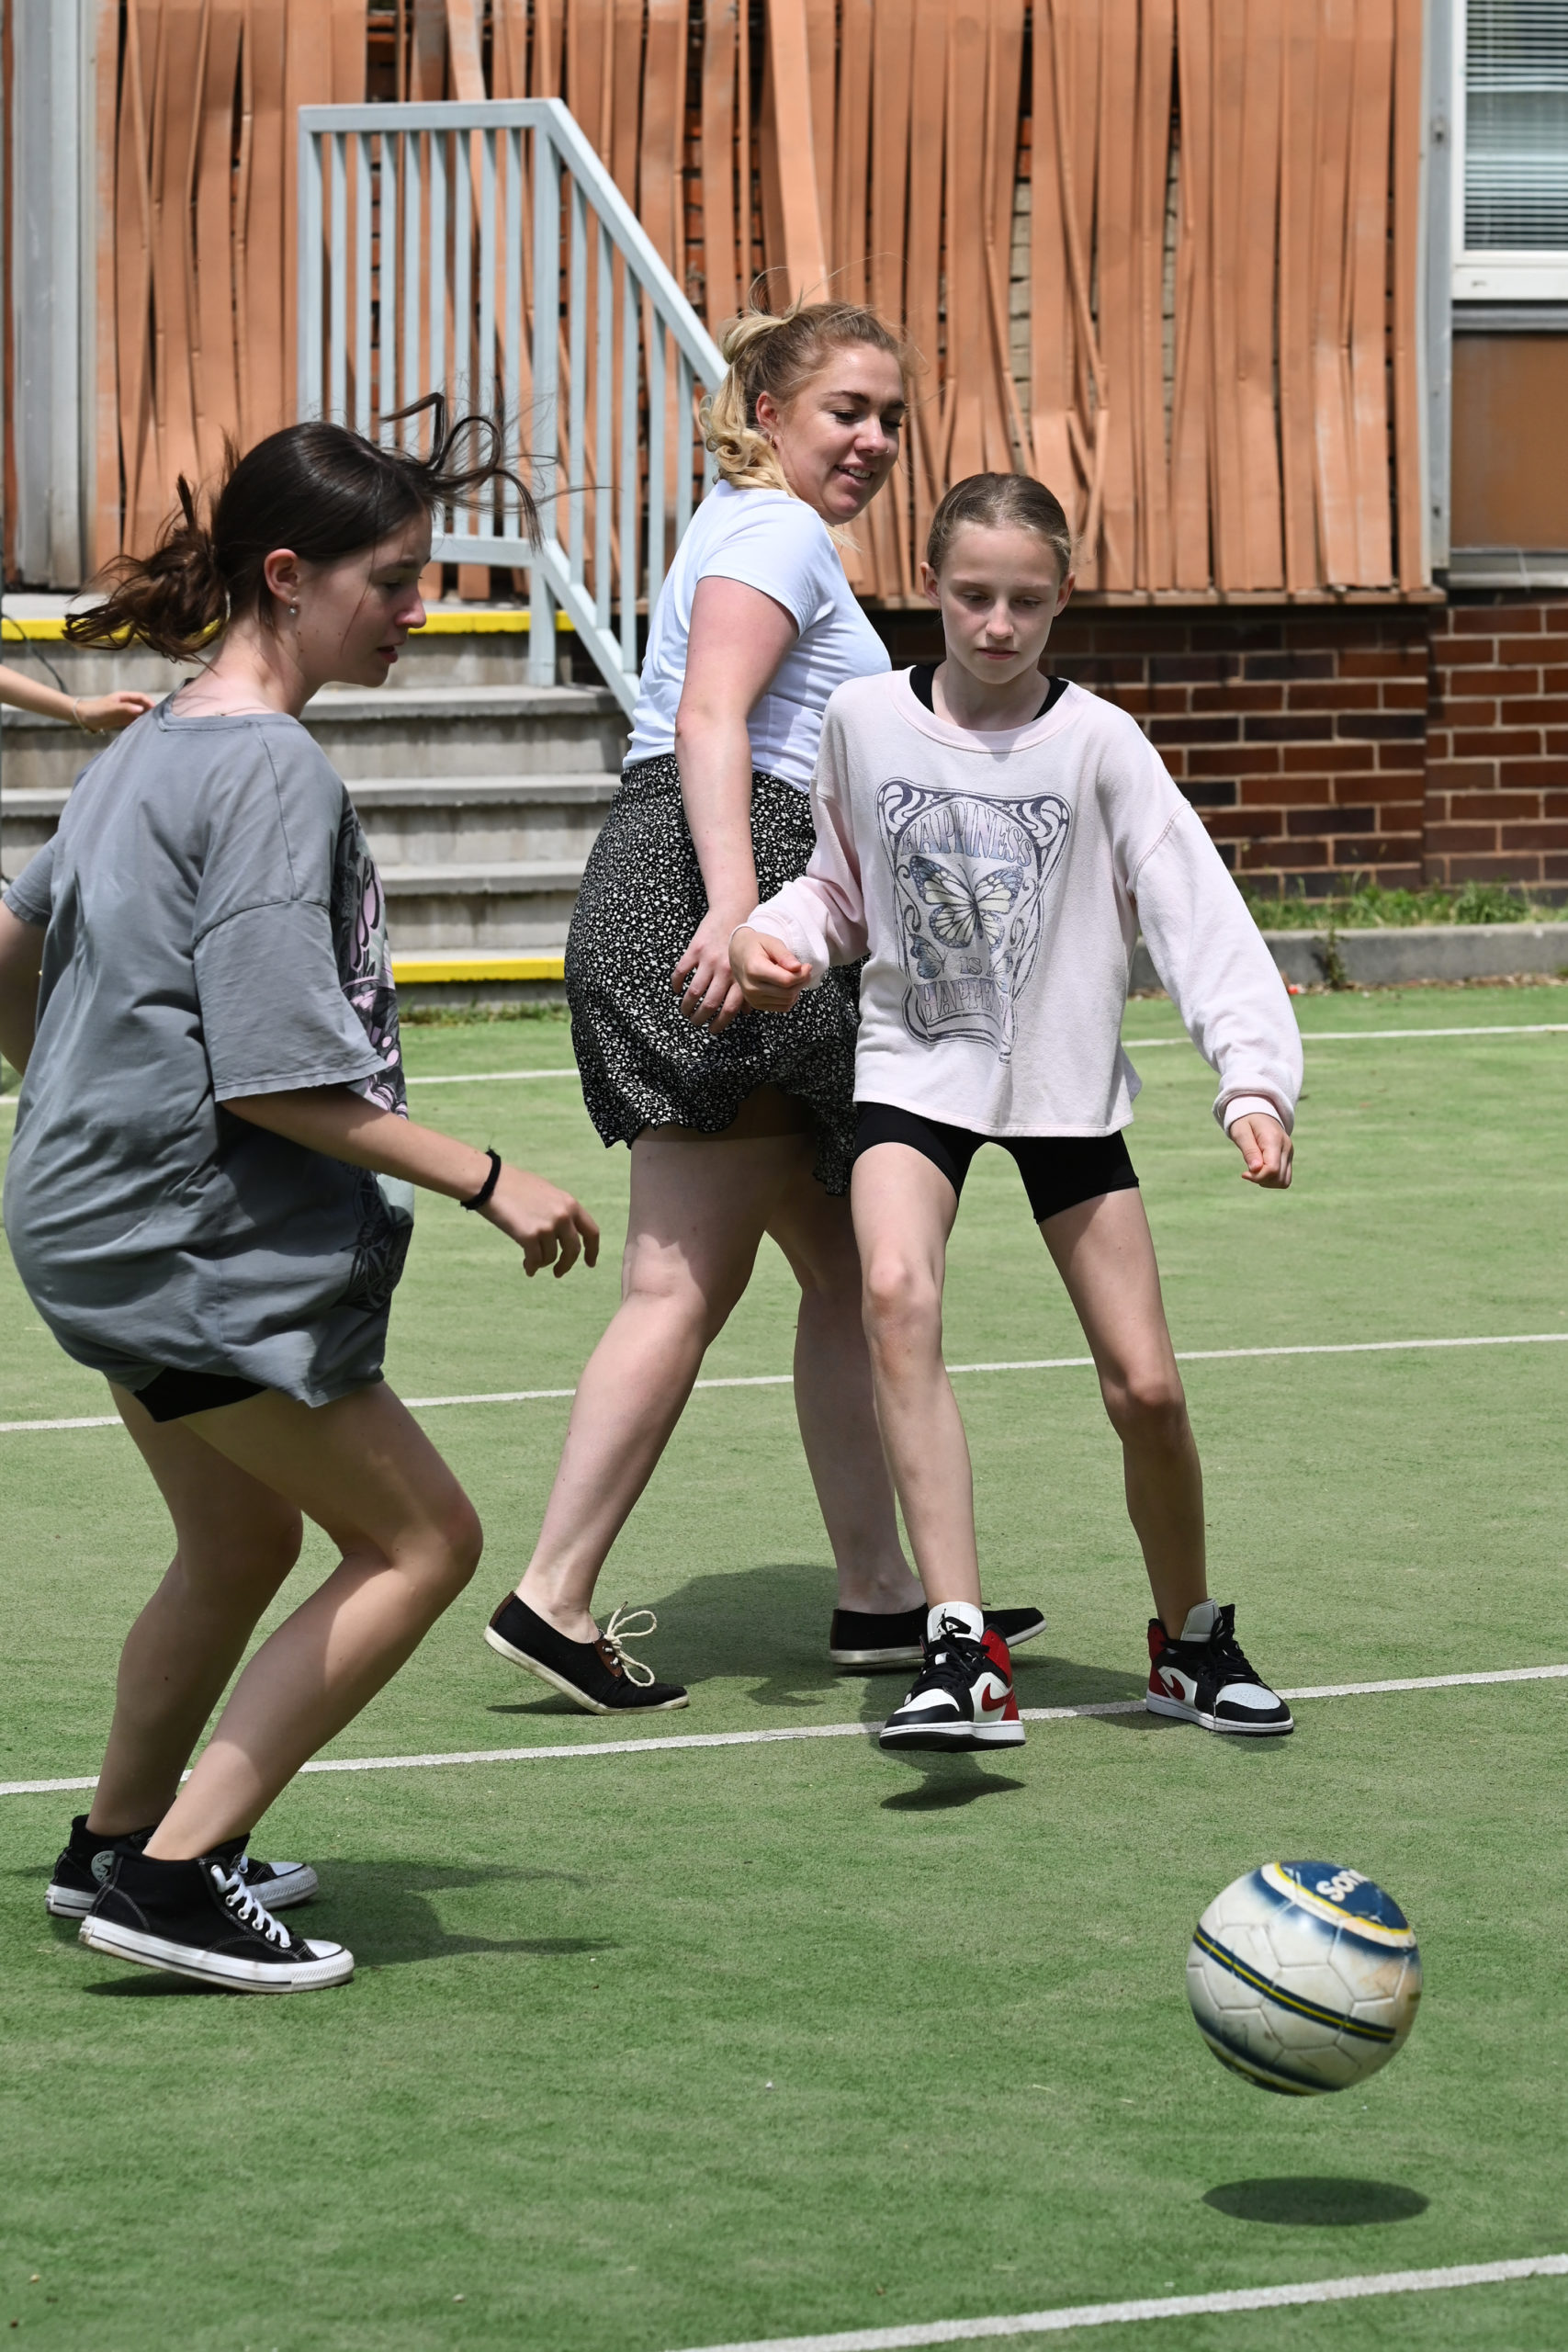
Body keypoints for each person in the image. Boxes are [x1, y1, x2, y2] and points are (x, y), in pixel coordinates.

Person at [0, 404, 598, 1993]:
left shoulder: (152, 737)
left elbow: (10, 946)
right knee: (425, 1542)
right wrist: (490, 1177)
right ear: (288, 576)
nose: (420, 612)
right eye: (393, 582)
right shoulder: (270, 769)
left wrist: (71, 1097)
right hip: (177, 1243)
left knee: (241, 1536)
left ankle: (115, 1843)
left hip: (85, 1220)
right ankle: (175, 1882)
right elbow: (271, 1079)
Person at [483, 301, 1046, 1715]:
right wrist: (739, 911)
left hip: (708, 890)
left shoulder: (753, 525)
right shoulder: (775, 530)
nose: (873, 440)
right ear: (773, 413)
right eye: (847, 411)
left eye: (892, 418)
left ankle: (880, 1593)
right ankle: (553, 1594)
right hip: (721, 897)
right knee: (686, 1283)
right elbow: (711, 718)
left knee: (848, 1275)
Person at [730, 471, 1303, 1754]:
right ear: (930, 585)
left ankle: (1189, 1643)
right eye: (974, 595)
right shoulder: (863, 719)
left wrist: (1253, 1081)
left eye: (1027, 602)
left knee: (1146, 1389)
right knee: (893, 1296)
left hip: (1062, 1090)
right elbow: (839, 889)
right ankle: (960, 1647)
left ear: (1063, 599)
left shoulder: (1102, 744)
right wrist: (782, 937)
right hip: (912, 1072)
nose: (998, 624)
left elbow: (1197, 914)